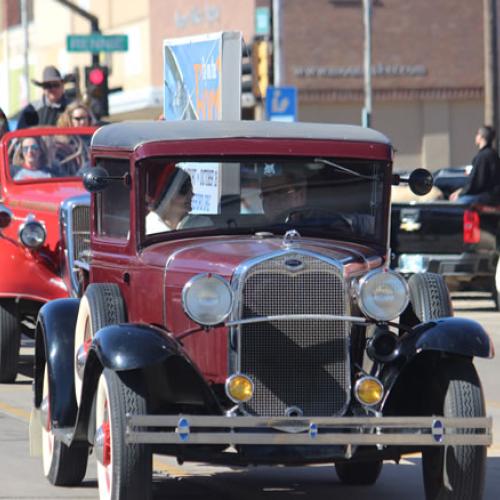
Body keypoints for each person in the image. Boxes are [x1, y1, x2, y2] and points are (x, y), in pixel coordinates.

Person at [146, 168, 211, 234]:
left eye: (191, 189)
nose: (192, 195)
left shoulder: (201, 224)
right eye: (184, 190)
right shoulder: (150, 228)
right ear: (168, 195)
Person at [450, 125, 500, 203]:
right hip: (492, 195)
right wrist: (460, 191)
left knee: (460, 202)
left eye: (477, 134)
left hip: (487, 196)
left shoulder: (483, 156)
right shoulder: (493, 154)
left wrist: (460, 194)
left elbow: (475, 183)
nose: (476, 137)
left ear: (481, 137)